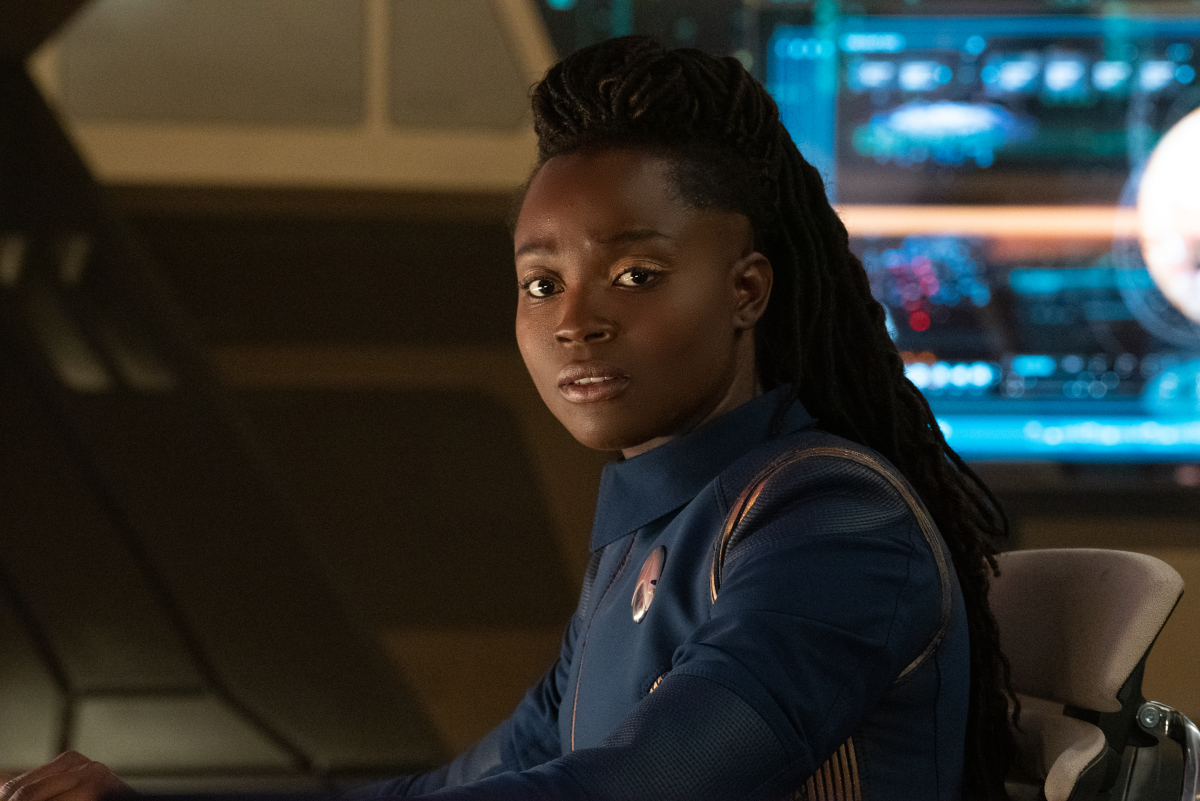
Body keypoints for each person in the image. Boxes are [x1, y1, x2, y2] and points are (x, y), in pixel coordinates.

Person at [0, 36, 1017, 801]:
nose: (576, 320)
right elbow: (460, 786)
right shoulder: (649, 536)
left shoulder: (833, 521)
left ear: (746, 290)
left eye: (636, 273)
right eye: (541, 283)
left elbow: (646, 784)